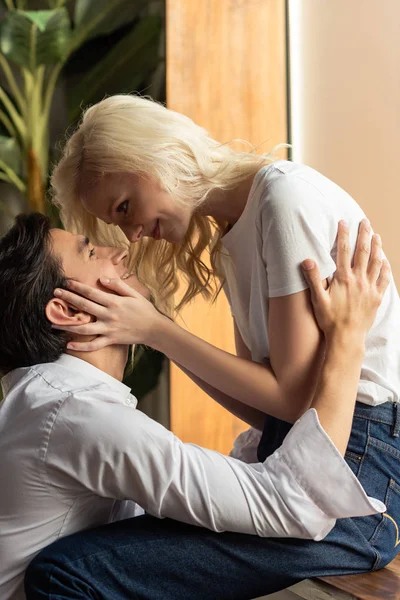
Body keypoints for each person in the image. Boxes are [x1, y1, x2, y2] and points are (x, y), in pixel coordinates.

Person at [23, 93, 400, 597]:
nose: (132, 235)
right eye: (118, 223)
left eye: (125, 207)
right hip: (309, 457)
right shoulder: (234, 231)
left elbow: (291, 396)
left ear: (152, 156)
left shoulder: (282, 199)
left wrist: (157, 329)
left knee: (69, 568)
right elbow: (265, 409)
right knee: (87, 558)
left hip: (358, 480)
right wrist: (154, 334)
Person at [0, 213, 385, 600]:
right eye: (92, 251)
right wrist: (348, 337)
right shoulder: (77, 412)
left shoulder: (50, 398)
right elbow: (293, 504)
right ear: (68, 311)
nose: (119, 251)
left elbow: (186, 507)